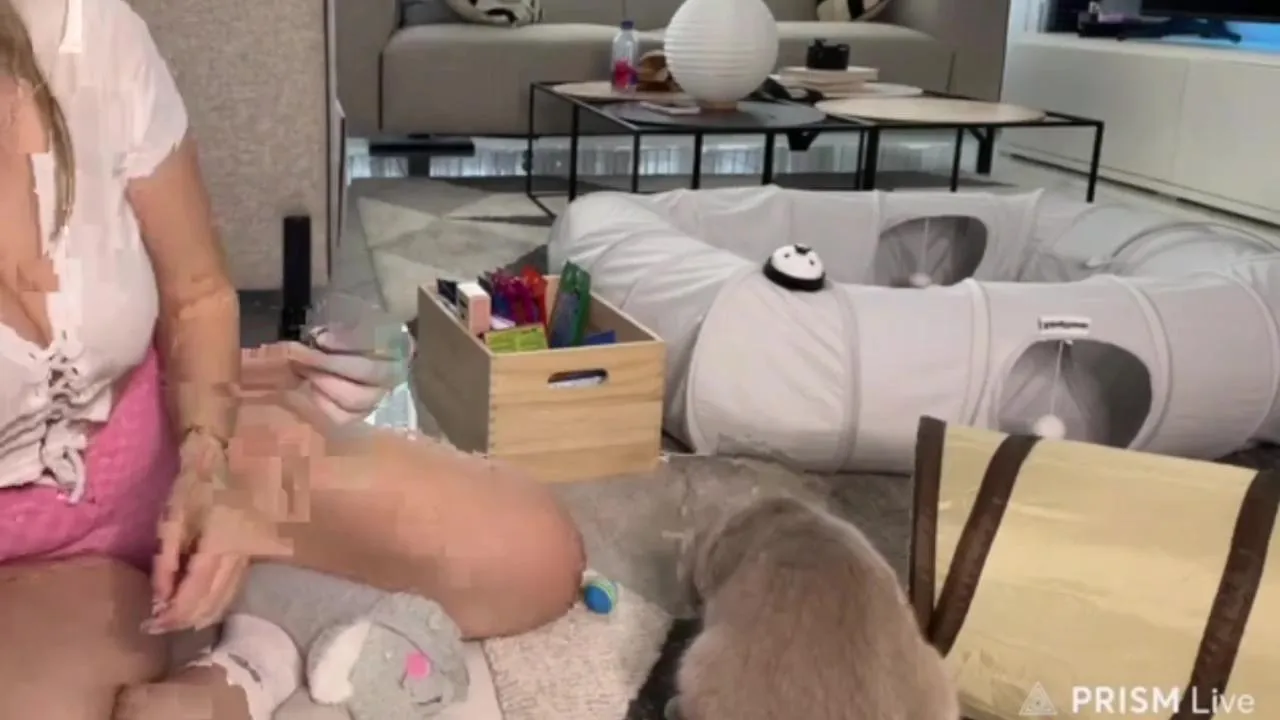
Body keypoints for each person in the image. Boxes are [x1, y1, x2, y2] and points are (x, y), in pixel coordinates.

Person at [0, 1, 585, 718]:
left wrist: (208, 457)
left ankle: (258, 641)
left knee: (533, 554)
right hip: (25, 554)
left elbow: (197, 294)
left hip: (166, 439)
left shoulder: (83, 32)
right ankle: (231, 648)